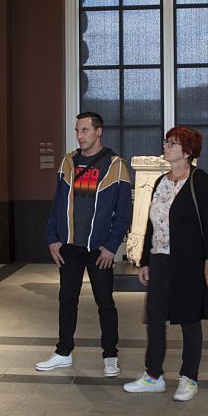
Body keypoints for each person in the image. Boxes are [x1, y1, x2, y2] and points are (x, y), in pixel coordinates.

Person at [124, 126, 208, 400]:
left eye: (172, 143)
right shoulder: (160, 181)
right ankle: (153, 376)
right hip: (159, 259)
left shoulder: (199, 180)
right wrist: (144, 260)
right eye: (166, 141)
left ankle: (189, 378)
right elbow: (151, 224)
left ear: (187, 151)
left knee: (189, 319)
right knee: (155, 319)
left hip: (189, 262)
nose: (165, 146)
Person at [36, 112, 132, 377]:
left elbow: (124, 213)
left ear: (99, 132)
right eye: (77, 131)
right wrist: (53, 238)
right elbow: (56, 203)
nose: (79, 136)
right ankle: (63, 352)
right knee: (67, 299)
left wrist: (112, 247)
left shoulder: (115, 165)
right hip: (68, 247)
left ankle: (110, 356)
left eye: (85, 130)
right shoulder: (68, 162)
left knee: (105, 303)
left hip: (99, 249)